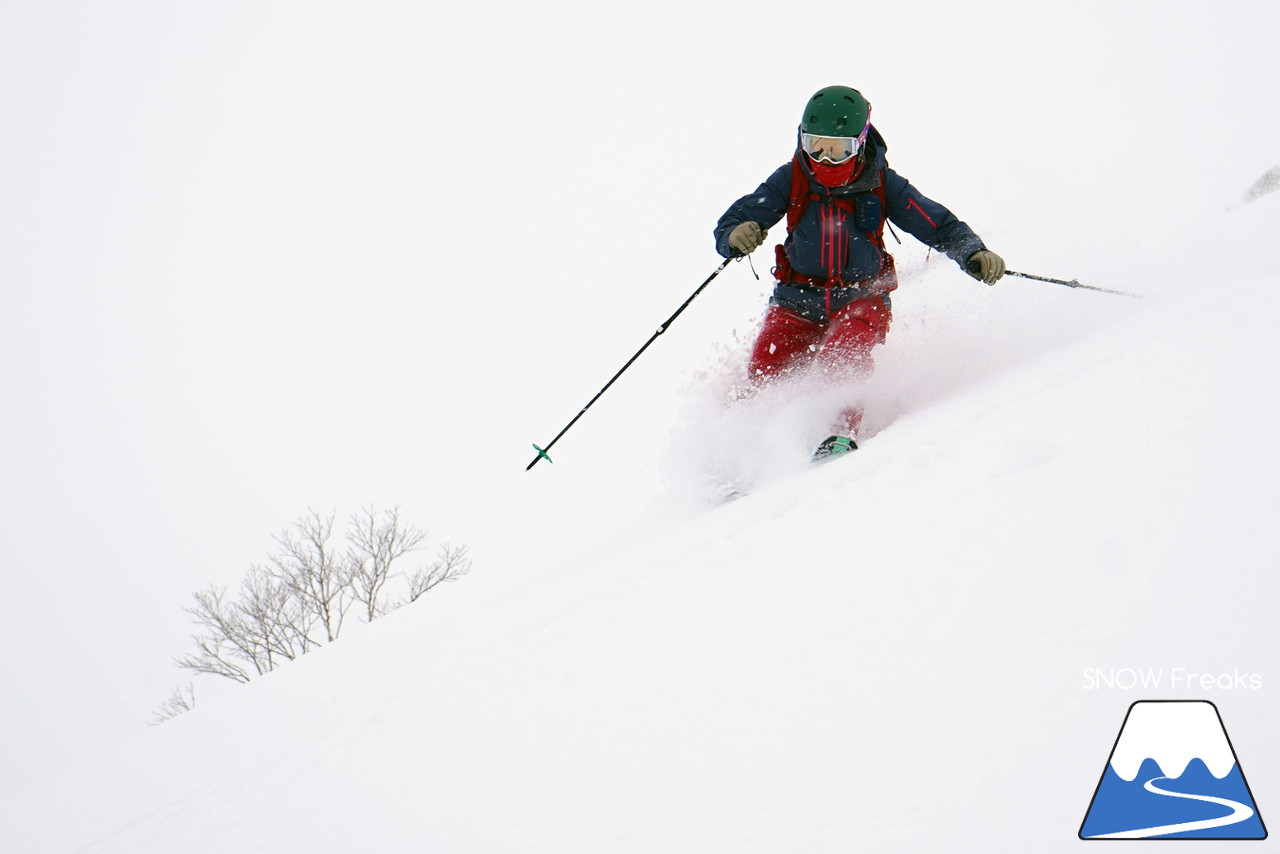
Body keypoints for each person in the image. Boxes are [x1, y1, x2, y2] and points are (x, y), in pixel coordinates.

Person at [715, 85, 1005, 458]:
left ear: (860, 143)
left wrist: (972, 252)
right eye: (815, 145)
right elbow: (739, 218)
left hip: (861, 296)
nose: (824, 158)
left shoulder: (883, 183)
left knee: (844, 354)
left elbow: (936, 224)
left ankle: (839, 434)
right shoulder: (791, 178)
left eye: (838, 150)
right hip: (796, 297)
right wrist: (734, 235)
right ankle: (747, 451)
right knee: (767, 365)